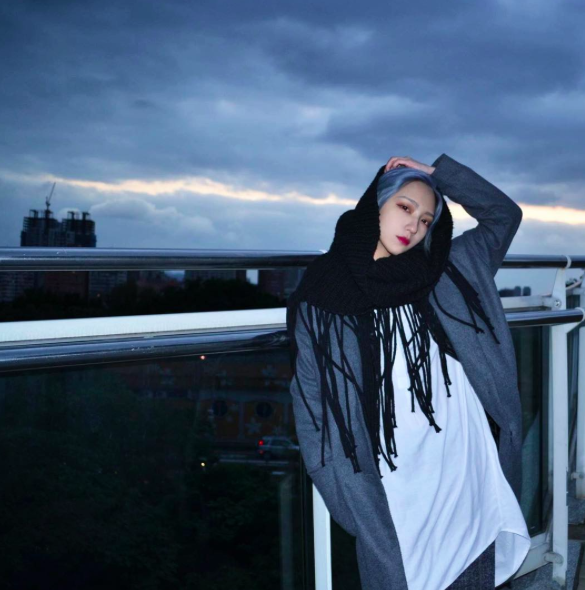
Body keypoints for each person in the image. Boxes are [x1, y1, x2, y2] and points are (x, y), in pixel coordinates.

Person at [286, 154, 530, 590]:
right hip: (393, 486)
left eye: (425, 219)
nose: (414, 225)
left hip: (466, 468)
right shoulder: (322, 294)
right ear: (376, 205)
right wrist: (351, 503)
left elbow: (503, 216)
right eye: (404, 206)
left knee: (477, 574)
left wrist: (439, 174)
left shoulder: (449, 267)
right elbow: (313, 410)